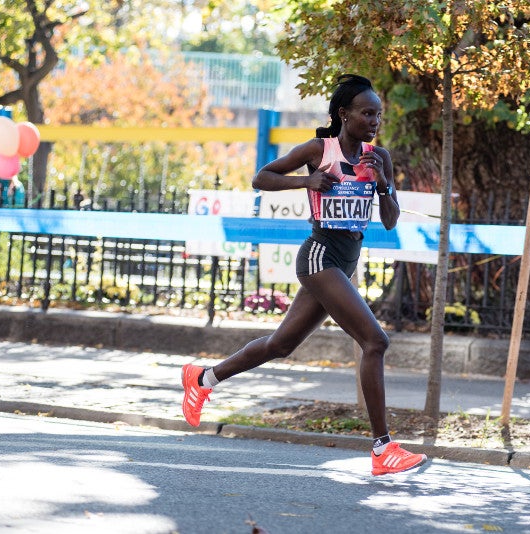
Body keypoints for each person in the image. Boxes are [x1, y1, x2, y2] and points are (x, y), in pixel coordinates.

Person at [181, 74, 427, 476]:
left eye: (378, 115)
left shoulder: (378, 158)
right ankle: (383, 448)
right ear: (343, 115)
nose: (374, 121)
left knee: (281, 344)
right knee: (375, 341)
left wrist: (384, 184)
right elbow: (261, 177)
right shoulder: (320, 149)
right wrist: (307, 181)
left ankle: (203, 377)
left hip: (344, 261)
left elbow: (390, 221)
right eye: (367, 113)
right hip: (319, 256)